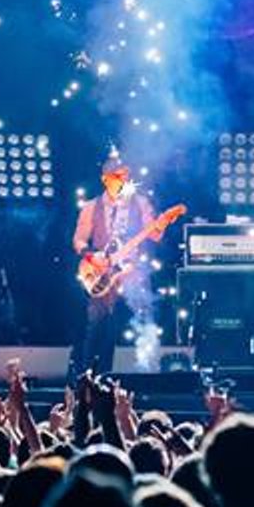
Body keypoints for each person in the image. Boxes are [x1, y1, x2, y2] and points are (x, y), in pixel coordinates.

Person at [72, 152, 157, 377]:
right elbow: (78, 240)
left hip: (132, 273)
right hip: (102, 273)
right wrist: (92, 255)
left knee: (137, 321)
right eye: (118, 175)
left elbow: (154, 235)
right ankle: (87, 377)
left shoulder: (140, 203)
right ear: (105, 178)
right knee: (96, 326)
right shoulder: (91, 206)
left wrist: (159, 225)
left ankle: (140, 376)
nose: (123, 179)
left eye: (126, 175)